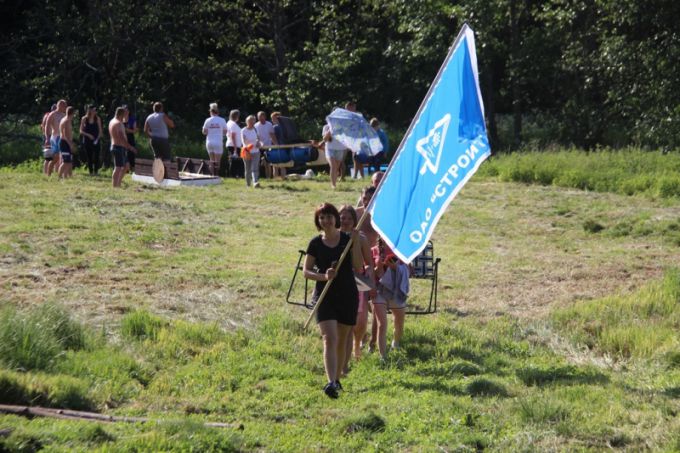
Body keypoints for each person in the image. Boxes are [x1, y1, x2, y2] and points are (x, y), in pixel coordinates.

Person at [304, 203, 363, 398]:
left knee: (342, 339)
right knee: (329, 338)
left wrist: (355, 243)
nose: (326, 220)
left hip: (347, 294)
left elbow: (357, 266)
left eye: (329, 216)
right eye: (322, 217)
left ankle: (337, 379)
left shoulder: (347, 239)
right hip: (325, 295)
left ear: (335, 219)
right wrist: (323, 277)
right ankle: (330, 382)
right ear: (318, 221)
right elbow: (306, 271)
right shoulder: (315, 243)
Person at [339, 205, 376, 370]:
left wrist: (371, 282)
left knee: (359, 322)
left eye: (348, 218)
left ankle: (356, 346)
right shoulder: (334, 237)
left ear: (354, 220)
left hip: (358, 281)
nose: (345, 221)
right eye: (342, 217)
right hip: (339, 282)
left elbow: (369, 263)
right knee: (343, 322)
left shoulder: (360, 238)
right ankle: (343, 357)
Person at [373, 238, 409, 352]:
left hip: (396, 290)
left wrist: (395, 267)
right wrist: (378, 266)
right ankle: (382, 356)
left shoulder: (401, 250)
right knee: (382, 325)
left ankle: (396, 342)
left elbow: (410, 270)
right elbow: (368, 270)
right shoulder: (374, 250)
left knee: (399, 323)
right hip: (380, 290)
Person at [109, 107, 136, 188]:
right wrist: (130, 147)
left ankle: (118, 183)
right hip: (118, 147)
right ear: (121, 114)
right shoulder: (118, 123)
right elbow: (122, 138)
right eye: (125, 114)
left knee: (126, 166)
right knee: (118, 167)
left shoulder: (112, 121)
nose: (126, 116)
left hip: (119, 147)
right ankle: (115, 186)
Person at [202, 103, 228, 174]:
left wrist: (211, 131)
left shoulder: (207, 120)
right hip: (218, 142)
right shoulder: (222, 120)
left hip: (209, 142)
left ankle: (211, 175)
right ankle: (216, 175)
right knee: (217, 161)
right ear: (218, 112)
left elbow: (204, 132)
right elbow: (225, 131)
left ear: (211, 112)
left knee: (211, 160)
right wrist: (219, 133)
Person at [45, 99, 67, 176]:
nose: (65, 107)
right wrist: (47, 137)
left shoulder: (64, 115)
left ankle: (62, 174)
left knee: (63, 156)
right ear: (60, 105)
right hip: (55, 137)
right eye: (64, 105)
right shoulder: (52, 114)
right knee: (56, 157)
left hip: (62, 137)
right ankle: (48, 173)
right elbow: (47, 126)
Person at [322, 120, 347, 189]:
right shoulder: (326, 127)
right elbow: (325, 139)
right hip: (330, 149)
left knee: (336, 168)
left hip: (340, 149)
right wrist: (330, 130)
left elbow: (345, 138)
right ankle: (333, 185)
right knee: (333, 166)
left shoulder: (342, 127)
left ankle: (334, 183)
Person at [254, 111, 279, 179]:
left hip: (268, 146)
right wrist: (258, 142)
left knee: (268, 163)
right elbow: (256, 137)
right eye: (259, 119)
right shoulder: (256, 125)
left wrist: (276, 144)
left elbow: (272, 135)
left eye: (262, 118)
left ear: (265, 117)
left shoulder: (269, 124)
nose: (261, 120)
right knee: (259, 163)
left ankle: (268, 177)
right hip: (259, 147)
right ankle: (257, 177)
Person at [79, 105, 102, 175]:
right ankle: (91, 172)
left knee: (97, 156)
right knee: (89, 157)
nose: (95, 111)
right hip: (87, 140)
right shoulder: (84, 119)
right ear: (90, 110)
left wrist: (97, 139)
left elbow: (100, 131)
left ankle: (96, 171)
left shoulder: (97, 118)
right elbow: (81, 131)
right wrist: (88, 135)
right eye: (94, 110)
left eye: (95, 110)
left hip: (96, 140)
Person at [240, 115, 261, 187]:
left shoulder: (256, 129)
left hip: (256, 152)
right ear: (246, 122)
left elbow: (258, 139)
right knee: (247, 168)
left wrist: (259, 143)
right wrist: (247, 147)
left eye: (253, 121)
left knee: (255, 168)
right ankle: (248, 184)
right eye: (250, 121)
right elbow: (243, 141)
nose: (251, 123)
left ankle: (255, 182)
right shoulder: (243, 130)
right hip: (247, 152)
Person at [57, 106, 76, 179]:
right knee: (66, 161)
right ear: (73, 113)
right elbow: (64, 134)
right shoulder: (66, 121)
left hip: (67, 142)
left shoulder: (65, 119)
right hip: (64, 143)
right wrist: (70, 144)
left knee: (69, 161)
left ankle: (69, 176)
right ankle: (59, 177)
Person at [226, 109, 243, 178]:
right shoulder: (232, 124)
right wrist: (235, 149)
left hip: (234, 145)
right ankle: (233, 175)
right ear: (237, 116)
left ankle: (235, 175)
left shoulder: (230, 123)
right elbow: (233, 136)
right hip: (233, 145)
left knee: (236, 161)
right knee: (234, 161)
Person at [41, 104, 56, 175]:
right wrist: (47, 137)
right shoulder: (49, 116)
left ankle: (48, 172)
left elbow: (42, 126)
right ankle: (46, 173)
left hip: (47, 136)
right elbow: (45, 127)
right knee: (48, 157)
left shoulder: (46, 115)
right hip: (48, 136)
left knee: (52, 156)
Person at [123, 105, 138, 173]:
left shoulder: (132, 119)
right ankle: (126, 170)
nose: (125, 112)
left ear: (129, 111)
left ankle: (133, 169)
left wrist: (126, 130)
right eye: (124, 110)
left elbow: (135, 131)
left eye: (127, 110)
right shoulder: (120, 119)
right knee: (123, 154)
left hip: (130, 138)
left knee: (131, 153)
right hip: (122, 138)